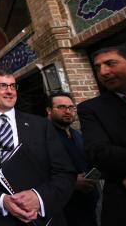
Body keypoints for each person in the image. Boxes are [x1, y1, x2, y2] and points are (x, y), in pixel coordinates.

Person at [0, 69, 76, 225]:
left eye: (13, 86)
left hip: (41, 216)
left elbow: (64, 170)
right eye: (3, 86)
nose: (10, 91)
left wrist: (38, 197)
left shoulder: (41, 125)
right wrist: (2, 200)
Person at [77, 44, 126, 225]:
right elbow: (98, 153)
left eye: (110, 63)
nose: (103, 71)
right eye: (98, 67)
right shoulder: (92, 109)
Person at [46, 92, 99, 226]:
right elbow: (36, 172)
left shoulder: (77, 134)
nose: (68, 111)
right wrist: (71, 183)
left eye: (71, 107)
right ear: (49, 110)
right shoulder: (41, 136)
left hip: (89, 205)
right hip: (63, 210)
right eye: (62, 107)